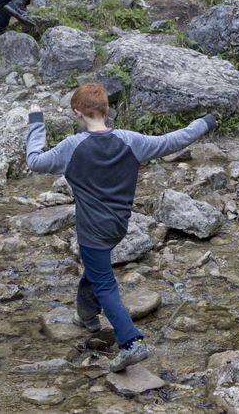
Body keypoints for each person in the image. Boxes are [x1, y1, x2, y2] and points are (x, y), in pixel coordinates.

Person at [25, 83, 216, 372]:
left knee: (104, 284)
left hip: (91, 230)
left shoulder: (72, 147)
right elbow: (172, 141)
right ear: (107, 110)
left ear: (77, 114)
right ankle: (87, 317)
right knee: (95, 270)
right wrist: (205, 122)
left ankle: (130, 343)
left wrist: (36, 122)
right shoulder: (130, 140)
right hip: (118, 227)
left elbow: (34, 161)